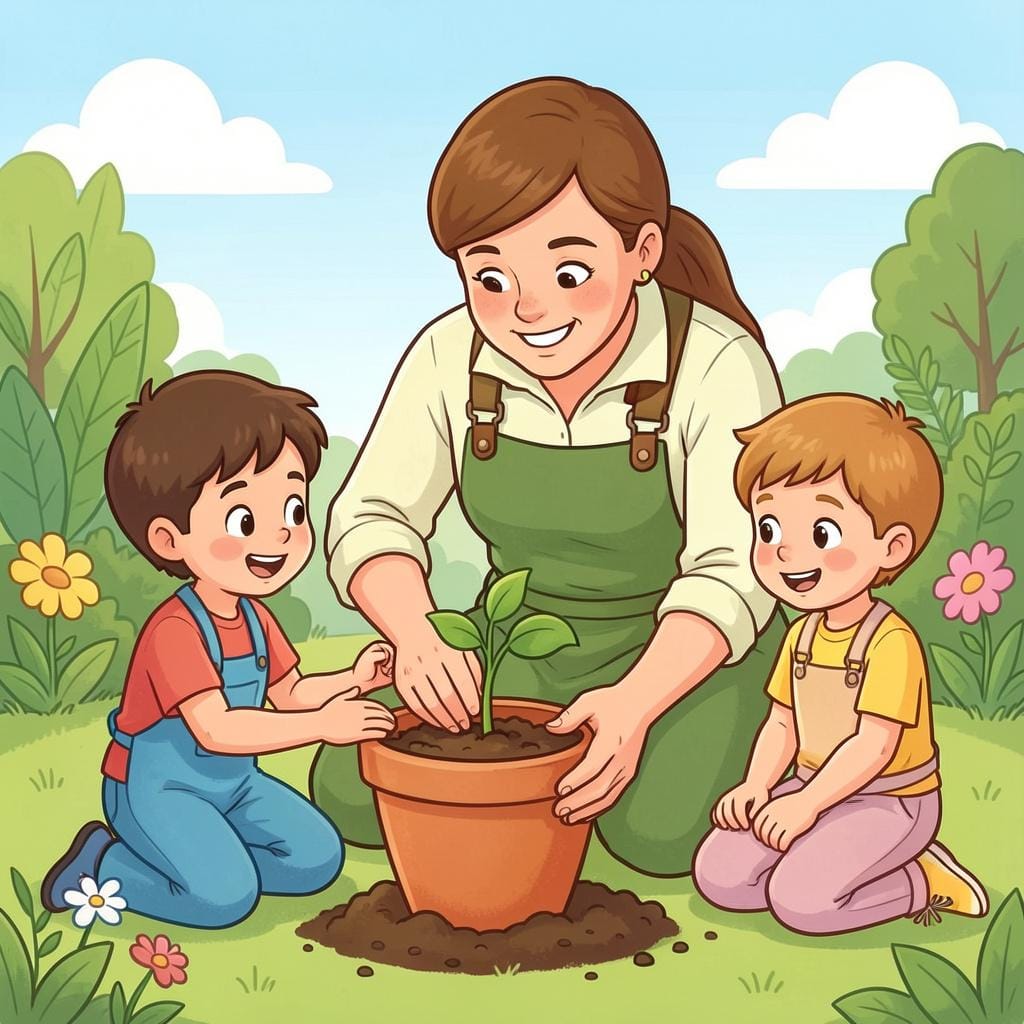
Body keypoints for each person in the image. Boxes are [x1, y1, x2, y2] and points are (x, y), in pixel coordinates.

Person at [313, 77, 786, 875]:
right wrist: (418, 636)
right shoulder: (449, 355)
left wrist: (634, 705)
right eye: (490, 278)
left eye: (567, 272)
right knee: (350, 785)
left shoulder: (715, 363)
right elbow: (372, 517)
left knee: (659, 834)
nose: (527, 309)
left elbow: (731, 571)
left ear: (642, 252)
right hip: (524, 635)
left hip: (685, 649)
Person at [41, 371, 397, 928]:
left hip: (234, 784)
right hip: (156, 792)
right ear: (169, 539)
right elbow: (217, 729)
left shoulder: (255, 618)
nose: (280, 534)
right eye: (244, 519)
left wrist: (354, 678)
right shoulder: (174, 630)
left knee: (316, 859)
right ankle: (102, 862)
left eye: (294, 509)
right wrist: (324, 725)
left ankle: (208, 858)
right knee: (223, 900)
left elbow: (291, 693)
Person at [693, 395, 988, 934]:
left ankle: (921, 878)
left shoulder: (890, 642)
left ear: (892, 547)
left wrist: (807, 805)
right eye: (769, 528)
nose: (785, 552)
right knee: (720, 876)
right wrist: (758, 785)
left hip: (890, 801)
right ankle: (829, 858)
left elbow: (874, 745)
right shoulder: (802, 634)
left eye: (821, 534)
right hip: (812, 787)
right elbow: (783, 722)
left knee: (801, 903)